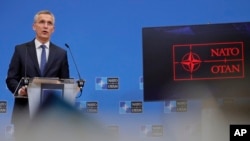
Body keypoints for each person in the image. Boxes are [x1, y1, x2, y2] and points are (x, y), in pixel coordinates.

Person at [5, 10, 69, 140]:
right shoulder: (21, 50)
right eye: (42, 22)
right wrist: (20, 90)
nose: (45, 26)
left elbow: (65, 82)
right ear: (34, 26)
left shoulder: (61, 53)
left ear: (53, 29)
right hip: (24, 115)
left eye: (49, 23)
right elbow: (11, 78)